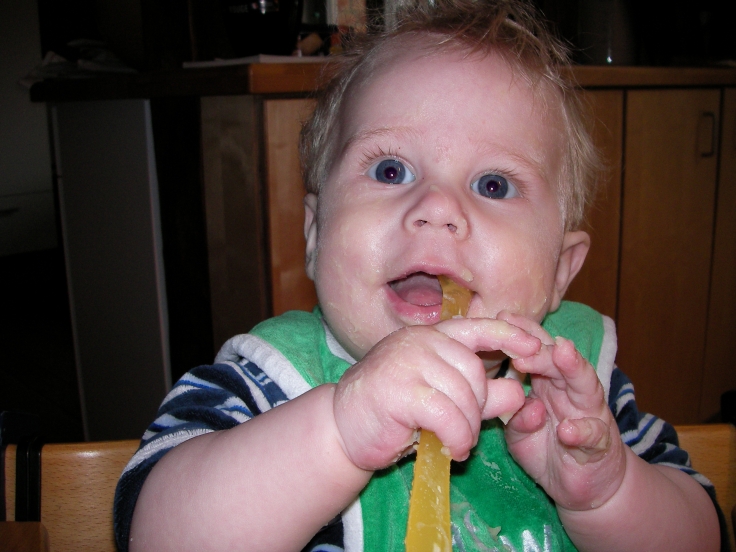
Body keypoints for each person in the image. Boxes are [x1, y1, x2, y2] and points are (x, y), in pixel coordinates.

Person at [114, 0, 724, 550]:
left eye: (494, 184)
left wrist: (608, 494)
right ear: (315, 232)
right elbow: (154, 536)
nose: (437, 206)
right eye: (390, 171)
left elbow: (707, 535)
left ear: (560, 271)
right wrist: (339, 431)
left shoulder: (580, 390)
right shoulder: (270, 384)